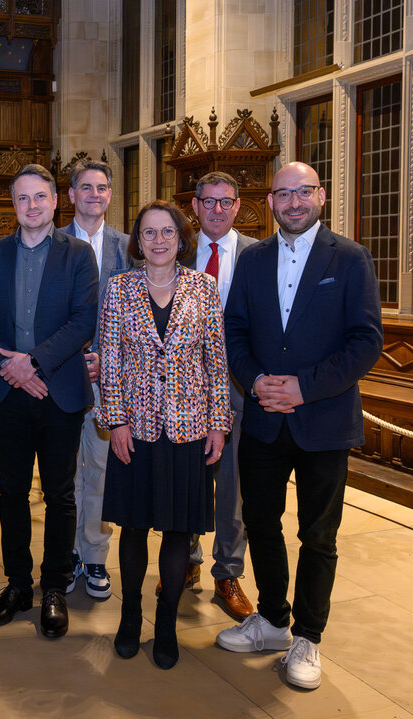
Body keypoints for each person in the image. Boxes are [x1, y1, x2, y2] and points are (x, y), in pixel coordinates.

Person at [217, 162, 382, 690]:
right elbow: (234, 330)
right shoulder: (253, 259)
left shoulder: (350, 258)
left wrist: (304, 387)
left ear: (321, 196)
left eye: (303, 192)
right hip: (263, 419)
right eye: (283, 194)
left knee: (318, 533)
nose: (293, 202)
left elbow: (366, 341)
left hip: (325, 420)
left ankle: (308, 636)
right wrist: (256, 380)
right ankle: (271, 620)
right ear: (270, 202)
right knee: (261, 522)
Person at [96, 199, 232, 670]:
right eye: (149, 232)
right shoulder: (119, 288)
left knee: (178, 530)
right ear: (138, 240)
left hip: (188, 428)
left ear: (181, 238)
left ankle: (168, 622)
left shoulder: (203, 288)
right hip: (134, 428)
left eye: (167, 231)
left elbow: (216, 362)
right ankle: (131, 615)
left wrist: (218, 423)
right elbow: (110, 362)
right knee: (133, 528)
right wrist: (115, 420)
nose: (158, 240)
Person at [0, 164, 97, 639]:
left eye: (40, 197)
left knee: (60, 494)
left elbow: (83, 319)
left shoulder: (78, 254)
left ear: (55, 202)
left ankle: (54, 587)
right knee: (11, 493)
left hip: (59, 392)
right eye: (23, 198)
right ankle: (18, 585)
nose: (32, 205)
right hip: (10, 392)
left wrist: (34, 363)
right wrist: (11, 367)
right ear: (14, 204)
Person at [172, 171, 257, 620]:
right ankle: (186, 560)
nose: (217, 209)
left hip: (240, 385)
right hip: (186, 387)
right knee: (188, 477)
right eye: (209, 201)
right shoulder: (176, 252)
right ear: (195, 205)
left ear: (238, 206)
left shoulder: (258, 255)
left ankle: (228, 572)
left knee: (232, 485)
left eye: (226, 202)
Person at [59, 159, 131, 600]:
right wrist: (71, 357)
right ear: (71, 195)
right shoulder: (53, 242)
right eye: (86, 187)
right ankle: (66, 552)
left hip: (111, 378)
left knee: (101, 470)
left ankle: (96, 554)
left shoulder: (129, 247)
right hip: (64, 375)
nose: (94, 194)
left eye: (102, 187)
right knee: (64, 470)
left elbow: (137, 312)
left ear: (110, 195)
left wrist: (108, 358)